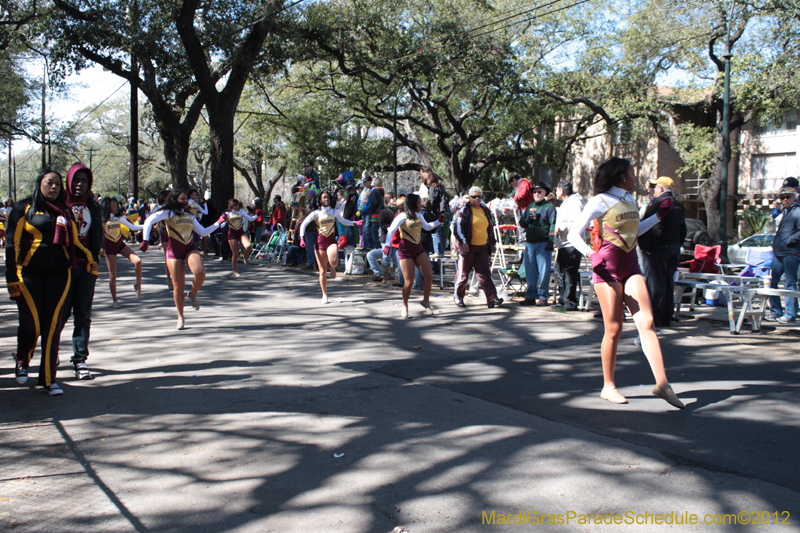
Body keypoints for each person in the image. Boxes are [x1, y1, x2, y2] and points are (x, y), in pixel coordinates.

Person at [568, 157, 684, 409]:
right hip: (607, 268)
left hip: (631, 266)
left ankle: (662, 384)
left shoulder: (630, 200)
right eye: (633, 172)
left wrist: (658, 217)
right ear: (621, 176)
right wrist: (590, 253)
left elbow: (635, 231)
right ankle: (608, 386)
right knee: (614, 328)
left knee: (648, 322)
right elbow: (572, 234)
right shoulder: (600, 201)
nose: (636, 177)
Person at [6, 169, 96, 394]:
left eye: (57, 184)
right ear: (40, 184)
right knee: (31, 325)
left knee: (52, 327)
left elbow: (74, 241)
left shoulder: (65, 211)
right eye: (49, 183)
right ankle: (22, 360)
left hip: (59, 275)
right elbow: (11, 245)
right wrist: (11, 279)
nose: (54, 187)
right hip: (27, 275)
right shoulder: (23, 208)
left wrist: (90, 259)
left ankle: (48, 379)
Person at [140, 190, 225, 329]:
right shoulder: (167, 213)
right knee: (178, 285)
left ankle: (192, 294)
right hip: (174, 252)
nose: (186, 201)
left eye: (187, 199)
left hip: (189, 248)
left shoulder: (189, 216)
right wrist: (145, 240)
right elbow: (149, 220)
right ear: (175, 200)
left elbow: (203, 232)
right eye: (183, 198)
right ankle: (180, 317)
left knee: (200, 273)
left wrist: (218, 223)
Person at [64, 163, 103, 380]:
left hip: (86, 267)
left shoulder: (93, 205)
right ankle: (50, 357)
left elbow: (96, 232)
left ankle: (80, 360)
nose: (80, 184)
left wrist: (96, 256)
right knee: (57, 316)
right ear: (69, 181)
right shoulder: (60, 203)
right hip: (62, 267)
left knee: (83, 314)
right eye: (76, 180)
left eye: (84, 181)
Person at [383, 193, 444, 318]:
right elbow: (391, 230)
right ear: (412, 204)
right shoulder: (402, 216)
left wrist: (438, 221)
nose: (421, 205)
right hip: (405, 251)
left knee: (428, 276)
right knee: (409, 281)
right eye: (419, 203)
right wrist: (387, 246)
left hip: (418, 250)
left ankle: (425, 301)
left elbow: (427, 227)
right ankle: (405, 305)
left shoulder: (419, 215)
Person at [637, 177, 687, 328]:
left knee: (655, 283)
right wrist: (677, 244)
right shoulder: (678, 205)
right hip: (673, 248)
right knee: (667, 282)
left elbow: (653, 227)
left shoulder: (658, 203)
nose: (653, 189)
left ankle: (655, 318)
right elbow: (683, 229)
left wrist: (648, 247)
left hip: (658, 249)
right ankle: (666, 316)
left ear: (660, 189)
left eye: (655, 187)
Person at [299, 190, 360, 303]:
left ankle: (332, 267)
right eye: (324, 198)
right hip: (320, 243)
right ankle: (324, 294)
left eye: (328, 197)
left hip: (331, 240)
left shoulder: (334, 211)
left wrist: (354, 223)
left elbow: (343, 221)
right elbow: (303, 224)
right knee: (322, 271)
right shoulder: (315, 213)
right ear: (320, 200)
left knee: (334, 261)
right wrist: (302, 238)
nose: (326, 199)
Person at [452, 186, 503, 308]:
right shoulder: (464, 210)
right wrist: (463, 242)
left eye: (479, 196)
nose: (477, 199)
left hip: (483, 248)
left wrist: (493, 243)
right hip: (468, 248)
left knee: (484, 274)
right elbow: (458, 227)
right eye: (474, 197)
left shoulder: (484, 210)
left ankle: (492, 298)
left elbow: (490, 227)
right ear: (469, 198)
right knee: (463, 275)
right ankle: (458, 297)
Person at [99, 197, 144, 309]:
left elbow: (133, 227)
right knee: (112, 276)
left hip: (120, 245)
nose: (116, 207)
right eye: (113, 205)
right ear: (107, 206)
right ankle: (115, 299)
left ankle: (138, 285)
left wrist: (147, 225)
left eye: (116, 205)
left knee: (137, 261)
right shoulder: (101, 219)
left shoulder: (119, 217)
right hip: (109, 248)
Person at [519, 182, 556, 306]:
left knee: (544, 270)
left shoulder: (549, 207)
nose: (536, 194)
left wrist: (551, 241)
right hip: (530, 242)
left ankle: (543, 296)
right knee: (530, 271)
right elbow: (522, 224)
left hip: (543, 242)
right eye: (534, 192)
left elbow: (552, 225)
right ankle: (530, 295)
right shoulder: (530, 207)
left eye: (539, 191)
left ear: (545, 193)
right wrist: (527, 220)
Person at [767, 187, 800, 324]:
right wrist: (776, 210)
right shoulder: (785, 212)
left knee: (790, 284)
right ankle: (776, 311)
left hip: (791, 253)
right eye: (782, 197)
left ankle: (790, 314)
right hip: (779, 253)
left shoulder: (797, 211)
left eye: (788, 197)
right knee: (771, 281)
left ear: (794, 198)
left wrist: (788, 241)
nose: (785, 199)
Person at [553, 180, 584, 310]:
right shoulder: (566, 204)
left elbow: (576, 223)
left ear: (562, 191)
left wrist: (562, 229)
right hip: (563, 244)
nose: (555, 192)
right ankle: (563, 298)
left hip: (572, 244)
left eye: (556, 189)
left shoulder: (575, 204)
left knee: (570, 273)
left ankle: (570, 301)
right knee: (560, 272)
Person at [219, 199, 258, 277]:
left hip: (240, 232)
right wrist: (223, 220)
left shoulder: (241, 212)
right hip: (232, 234)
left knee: (248, 246)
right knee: (235, 253)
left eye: (237, 205)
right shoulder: (227, 213)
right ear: (231, 206)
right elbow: (221, 225)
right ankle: (234, 271)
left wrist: (258, 215)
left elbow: (250, 219)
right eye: (235, 205)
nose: (237, 207)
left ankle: (245, 256)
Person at [367, 192, 397, 282]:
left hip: (396, 239)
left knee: (396, 258)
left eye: (395, 197)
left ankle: (396, 278)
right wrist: (391, 228)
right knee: (385, 257)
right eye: (392, 197)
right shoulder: (383, 211)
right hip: (386, 239)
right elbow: (382, 225)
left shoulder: (398, 211)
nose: (394, 198)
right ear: (387, 199)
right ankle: (383, 276)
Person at [367, 176, 385, 250]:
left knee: (373, 230)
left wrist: (370, 210)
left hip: (375, 214)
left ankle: (375, 245)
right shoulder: (382, 192)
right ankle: (379, 243)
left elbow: (374, 203)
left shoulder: (374, 191)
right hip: (381, 213)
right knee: (378, 229)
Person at [357, 174, 374, 248]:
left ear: (370, 182)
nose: (364, 183)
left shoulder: (372, 190)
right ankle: (364, 244)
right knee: (363, 230)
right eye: (363, 182)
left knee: (367, 229)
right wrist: (358, 208)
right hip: (362, 212)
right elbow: (359, 201)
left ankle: (369, 245)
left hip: (368, 212)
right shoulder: (363, 191)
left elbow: (372, 202)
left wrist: (368, 208)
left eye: (366, 182)